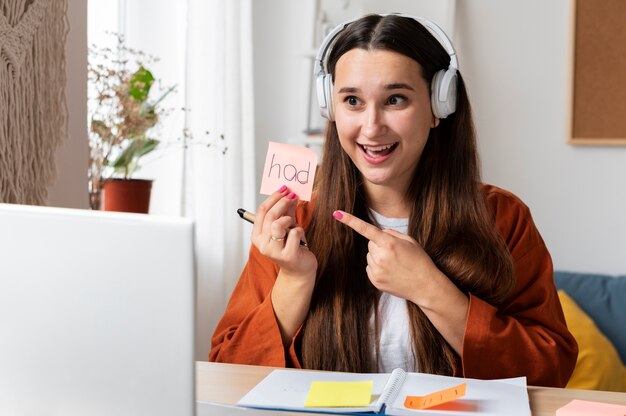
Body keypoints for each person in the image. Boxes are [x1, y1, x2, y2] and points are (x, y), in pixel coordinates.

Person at [210, 13, 577, 387]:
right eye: (352, 100)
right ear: (330, 109)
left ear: (439, 106)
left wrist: (430, 288)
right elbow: (228, 372)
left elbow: (549, 371)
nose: (371, 127)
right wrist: (294, 280)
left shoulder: (502, 217)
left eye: (395, 99)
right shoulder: (294, 223)